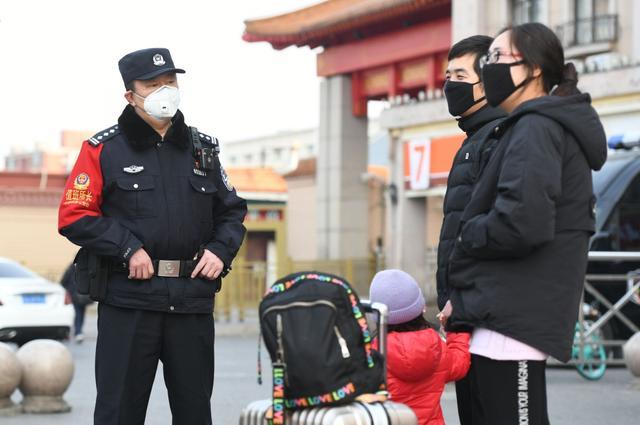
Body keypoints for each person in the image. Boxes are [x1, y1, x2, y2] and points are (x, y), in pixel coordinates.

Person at [58, 48, 247, 425]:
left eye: (171, 82)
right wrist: (127, 247)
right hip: (129, 301)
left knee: (195, 412)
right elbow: (73, 215)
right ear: (130, 95)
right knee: (119, 412)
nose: (165, 90)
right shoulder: (103, 150)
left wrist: (220, 251)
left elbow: (231, 212)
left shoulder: (202, 149)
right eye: (153, 84)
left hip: (191, 300)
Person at [443, 23, 607, 425]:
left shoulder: (537, 127)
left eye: (498, 58)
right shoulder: (527, 126)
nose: (492, 67)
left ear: (533, 69)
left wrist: (468, 231)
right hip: (497, 318)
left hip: (511, 323)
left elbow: (523, 222)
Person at [437, 34, 506, 425]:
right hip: (465, 315)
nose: (450, 84)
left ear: (487, 80)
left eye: (460, 74)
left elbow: (492, 231)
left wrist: (458, 299)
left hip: (489, 316)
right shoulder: (473, 141)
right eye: (448, 75)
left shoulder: (496, 139)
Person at [369, 269, 470, 425]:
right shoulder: (437, 347)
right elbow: (460, 364)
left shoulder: (372, 355)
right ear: (420, 308)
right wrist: (456, 329)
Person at [60, 261, 93, 343]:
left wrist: (69, 290)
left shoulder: (71, 268)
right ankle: (79, 332)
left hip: (75, 295)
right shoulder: (88, 266)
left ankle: (78, 332)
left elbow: (63, 281)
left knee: (78, 313)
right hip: (84, 295)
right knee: (81, 313)